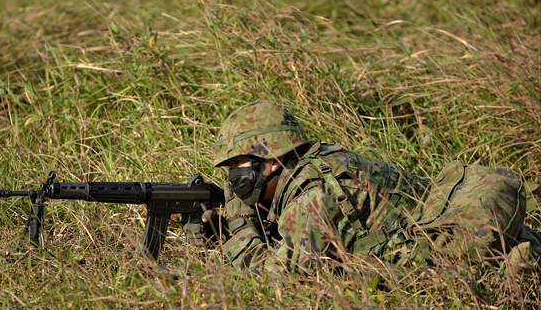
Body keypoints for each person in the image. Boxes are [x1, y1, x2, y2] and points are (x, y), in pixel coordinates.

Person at [184, 101, 541, 275]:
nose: (234, 180)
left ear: (272, 160)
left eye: (238, 168)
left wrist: (240, 230)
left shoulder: (312, 198)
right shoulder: (324, 159)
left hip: (450, 264)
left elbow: (276, 283)